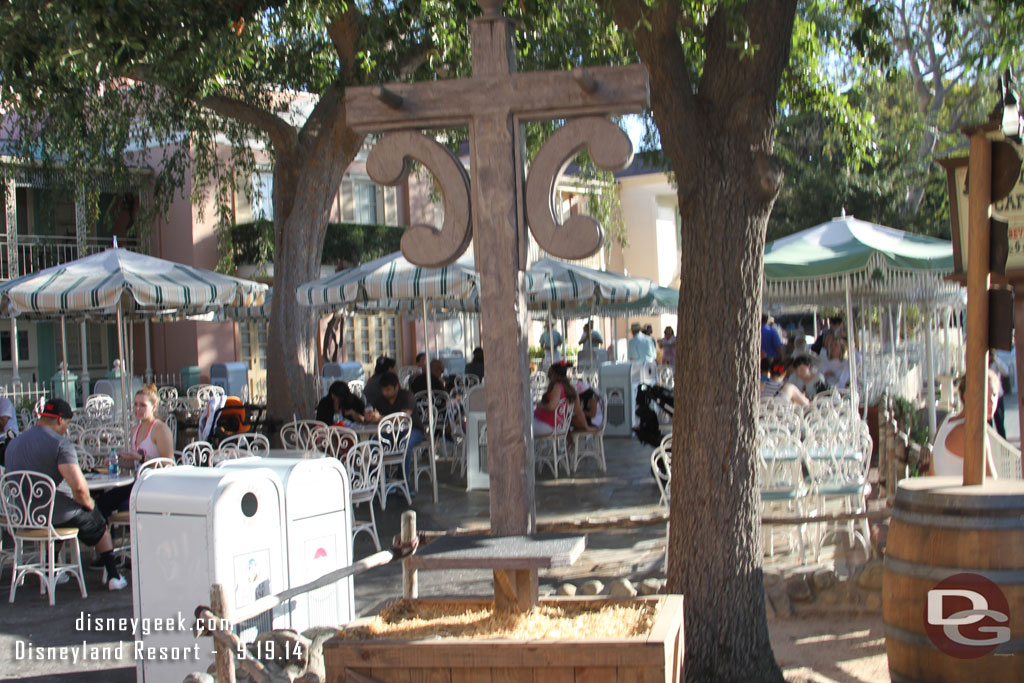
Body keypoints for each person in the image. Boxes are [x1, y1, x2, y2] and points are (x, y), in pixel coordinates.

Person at [3, 398, 128, 590]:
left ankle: (50, 569)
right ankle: (114, 576)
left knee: (60, 512)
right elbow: (79, 488)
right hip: (56, 515)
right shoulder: (60, 444)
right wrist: (90, 505)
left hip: (24, 516)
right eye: (67, 425)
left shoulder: (13, 444)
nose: (66, 430)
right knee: (98, 519)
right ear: (60, 420)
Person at [99, 386, 176, 517]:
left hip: (155, 485)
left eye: (142, 405)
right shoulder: (135, 430)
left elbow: (169, 463)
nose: (137, 409)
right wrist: (118, 461)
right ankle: (105, 535)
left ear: (154, 407)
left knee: (112, 503)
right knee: (102, 503)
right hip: (138, 483)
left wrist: (140, 458)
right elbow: (134, 465)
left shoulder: (160, 429)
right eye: (135, 405)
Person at [932, 371, 1001, 478]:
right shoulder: (972, 431)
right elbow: (992, 483)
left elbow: (931, 473)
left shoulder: (947, 421)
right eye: (984, 393)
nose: (991, 401)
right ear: (966, 396)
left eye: (994, 394)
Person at [372, 372, 424, 472]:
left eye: (388, 390)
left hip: (413, 429)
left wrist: (380, 417)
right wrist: (370, 415)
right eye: (383, 390)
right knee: (374, 443)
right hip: (391, 432)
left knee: (405, 443)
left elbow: (403, 417)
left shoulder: (407, 396)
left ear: (396, 387)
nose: (385, 393)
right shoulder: (380, 400)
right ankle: (380, 478)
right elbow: (373, 411)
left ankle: (402, 479)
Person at [533, 361, 597, 435]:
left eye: (549, 374)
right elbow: (579, 411)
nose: (548, 376)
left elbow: (551, 407)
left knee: (523, 426)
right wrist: (586, 427)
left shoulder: (557, 387)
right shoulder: (571, 389)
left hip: (548, 425)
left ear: (553, 375)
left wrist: (537, 405)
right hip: (560, 426)